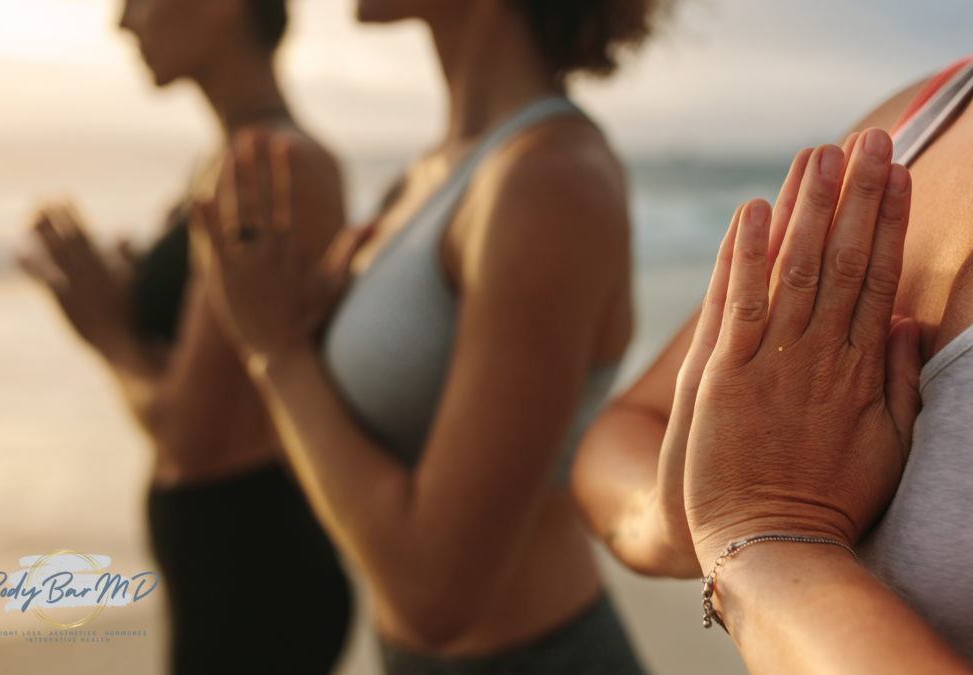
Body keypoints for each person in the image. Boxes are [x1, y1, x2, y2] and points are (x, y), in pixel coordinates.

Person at [572, 1, 973, 673]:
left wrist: (766, 536)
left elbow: (741, 516)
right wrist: (682, 512)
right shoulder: (915, 116)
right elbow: (624, 431)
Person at [186, 0, 669, 672]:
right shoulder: (426, 177)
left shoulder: (547, 184)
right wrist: (301, 334)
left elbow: (435, 594)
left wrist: (278, 354)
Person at [17, 1, 353, 673]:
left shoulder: (266, 167)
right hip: (229, 570)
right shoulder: (232, 161)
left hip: (255, 580)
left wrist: (108, 333)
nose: (123, 23)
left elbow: (190, 431)